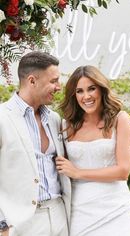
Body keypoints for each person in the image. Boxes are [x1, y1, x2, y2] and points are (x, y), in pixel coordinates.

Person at [56, 65, 130, 236]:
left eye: (91, 89)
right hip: (80, 210)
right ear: (74, 95)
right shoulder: (66, 126)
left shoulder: (120, 120)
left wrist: (78, 172)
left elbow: (123, 171)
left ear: (101, 90)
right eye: (79, 91)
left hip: (116, 209)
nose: (86, 96)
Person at [0, 51, 71, 236]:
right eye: (54, 81)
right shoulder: (2, 117)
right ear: (32, 81)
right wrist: (2, 225)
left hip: (60, 216)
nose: (58, 87)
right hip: (22, 223)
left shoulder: (54, 119)